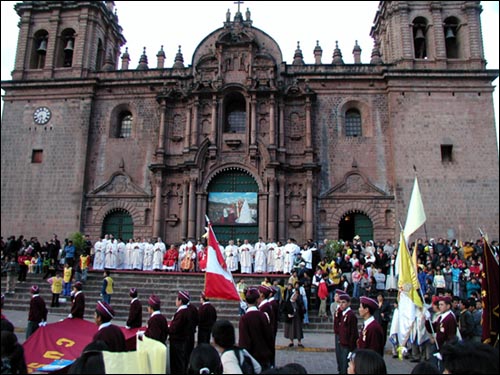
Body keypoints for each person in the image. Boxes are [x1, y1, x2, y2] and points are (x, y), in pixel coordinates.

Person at [239, 287, 274, 371]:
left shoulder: (244, 319)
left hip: (251, 359)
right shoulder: (263, 316)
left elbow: (244, 342)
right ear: (257, 300)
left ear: (246, 301)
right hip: (264, 356)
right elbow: (269, 337)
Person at [169, 291, 191, 374]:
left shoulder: (182, 313)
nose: (175, 301)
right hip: (182, 340)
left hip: (177, 342)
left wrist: (167, 329)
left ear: (180, 301)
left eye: (176, 299)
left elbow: (174, 328)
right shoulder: (186, 311)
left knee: (176, 364)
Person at [338, 293, 358, 374]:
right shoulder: (344, 314)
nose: (341, 305)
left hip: (347, 346)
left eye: (343, 302)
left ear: (349, 303)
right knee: (342, 365)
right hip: (342, 344)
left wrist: (351, 347)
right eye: (340, 302)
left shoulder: (350, 315)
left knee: (346, 366)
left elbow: (353, 332)